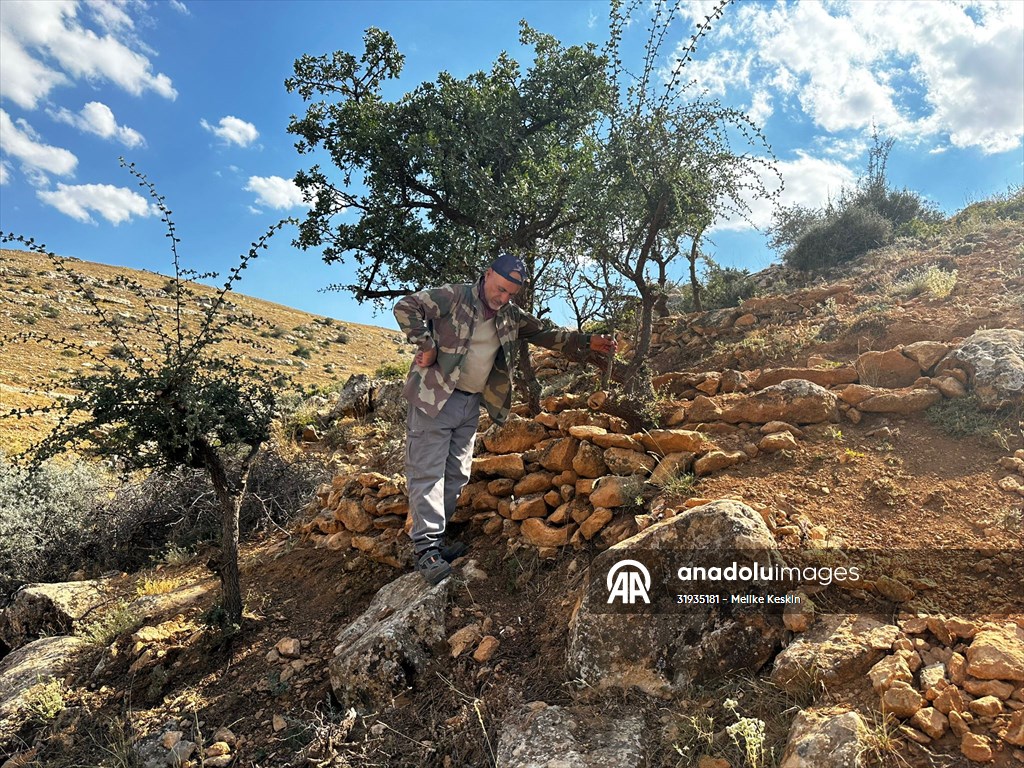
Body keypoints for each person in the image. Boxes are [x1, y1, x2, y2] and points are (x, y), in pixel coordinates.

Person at [394, 253, 617, 584]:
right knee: (427, 473)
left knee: (456, 473)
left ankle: (436, 543)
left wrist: (589, 342)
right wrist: (424, 343)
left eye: (511, 293)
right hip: (433, 398)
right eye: (500, 289)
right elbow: (405, 306)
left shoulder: (510, 315)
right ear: (487, 275)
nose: (503, 298)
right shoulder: (454, 296)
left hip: (469, 403)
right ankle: (425, 550)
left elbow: (547, 334)